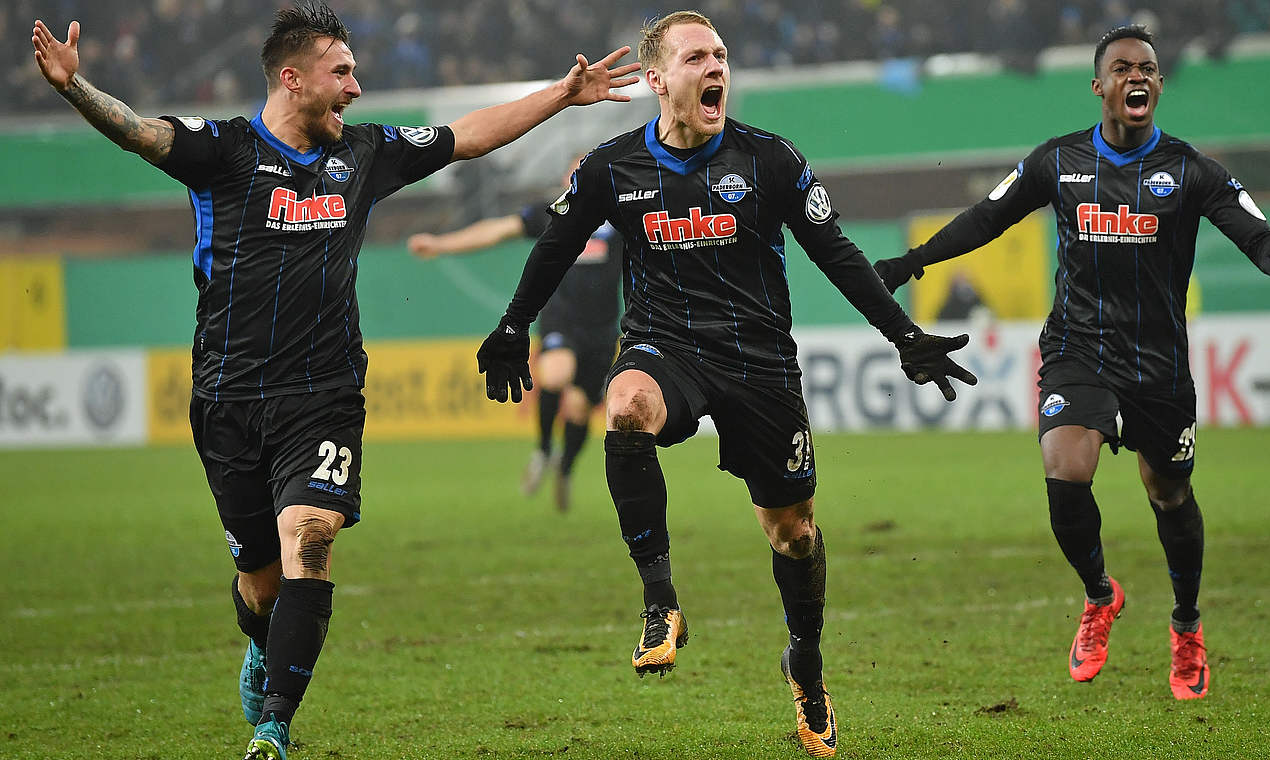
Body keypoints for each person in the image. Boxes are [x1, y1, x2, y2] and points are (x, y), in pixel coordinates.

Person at [32, 4, 639, 758]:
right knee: (261, 585)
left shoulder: (366, 154)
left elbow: (468, 138)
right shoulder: (222, 152)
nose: (357, 86)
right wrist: (74, 88)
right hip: (226, 400)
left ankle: (273, 728)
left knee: (310, 537)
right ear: (293, 78)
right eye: (342, 71)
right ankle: (262, 641)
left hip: (324, 396)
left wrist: (560, 94)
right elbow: (140, 131)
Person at [475, 11, 975, 757]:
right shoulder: (612, 168)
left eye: (722, 55)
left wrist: (904, 335)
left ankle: (804, 659)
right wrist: (514, 326)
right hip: (665, 348)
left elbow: (835, 253)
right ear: (656, 80)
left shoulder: (770, 161)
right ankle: (660, 602)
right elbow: (554, 248)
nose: (716, 68)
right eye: (696, 57)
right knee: (625, 408)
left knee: (793, 534)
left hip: (760, 363)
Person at [873, 25, 1270, 701]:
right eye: (1124, 68)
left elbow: (1244, 220)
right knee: (1064, 470)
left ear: (1159, 86)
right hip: (1078, 349)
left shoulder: (1189, 169)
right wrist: (911, 262)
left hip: (1159, 364)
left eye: (1150, 70)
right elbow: (988, 217)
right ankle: (1101, 596)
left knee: (1168, 493)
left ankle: (1187, 624)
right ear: (1100, 85)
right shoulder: (1060, 161)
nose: (1139, 77)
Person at [408, 158, 623, 512]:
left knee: (581, 410)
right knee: (555, 373)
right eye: (574, 174)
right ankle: (542, 450)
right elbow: (496, 230)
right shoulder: (554, 213)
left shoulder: (618, 219)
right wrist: (441, 244)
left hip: (601, 330)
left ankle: (565, 469)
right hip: (560, 320)